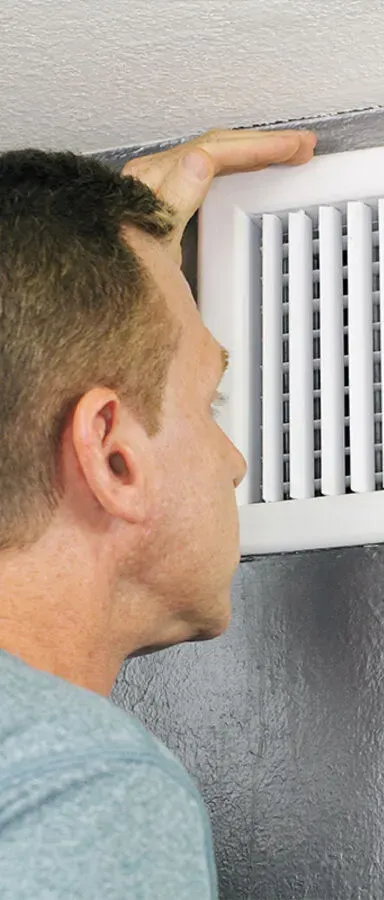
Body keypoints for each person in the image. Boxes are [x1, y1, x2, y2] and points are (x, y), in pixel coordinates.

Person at [0, 128, 317, 898]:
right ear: (113, 457)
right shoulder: (77, 784)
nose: (234, 460)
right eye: (208, 401)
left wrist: (114, 285)